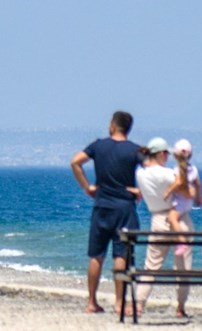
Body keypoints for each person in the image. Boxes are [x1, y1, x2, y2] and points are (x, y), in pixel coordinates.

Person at [70, 110, 143, 315]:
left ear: (112, 125)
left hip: (102, 206)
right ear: (128, 128)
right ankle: (119, 303)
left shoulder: (98, 145)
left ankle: (92, 302)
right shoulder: (135, 150)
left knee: (96, 255)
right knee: (121, 255)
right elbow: (153, 170)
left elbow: (75, 162)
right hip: (125, 208)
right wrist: (141, 191)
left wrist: (87, 187)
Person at [134, 137, 193, 318]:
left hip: (157, 218)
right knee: (183, 267)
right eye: (166, 153)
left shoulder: (140, 173)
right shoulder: (165, 173)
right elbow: (185, 190)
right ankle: (180, 307)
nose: (167, 156)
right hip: (178, 217)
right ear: (161, 154)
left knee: (151, 265)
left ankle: (139, 304)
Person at [166, 138, 201, 257]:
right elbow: (198, 185)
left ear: (175, 156)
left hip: (180, 202)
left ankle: (181, 241)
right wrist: (199, 198)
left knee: (172, 218)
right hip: (188, 203)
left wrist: (168, 192)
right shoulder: (194, 169)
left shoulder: (177, 170)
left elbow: (178, 183)